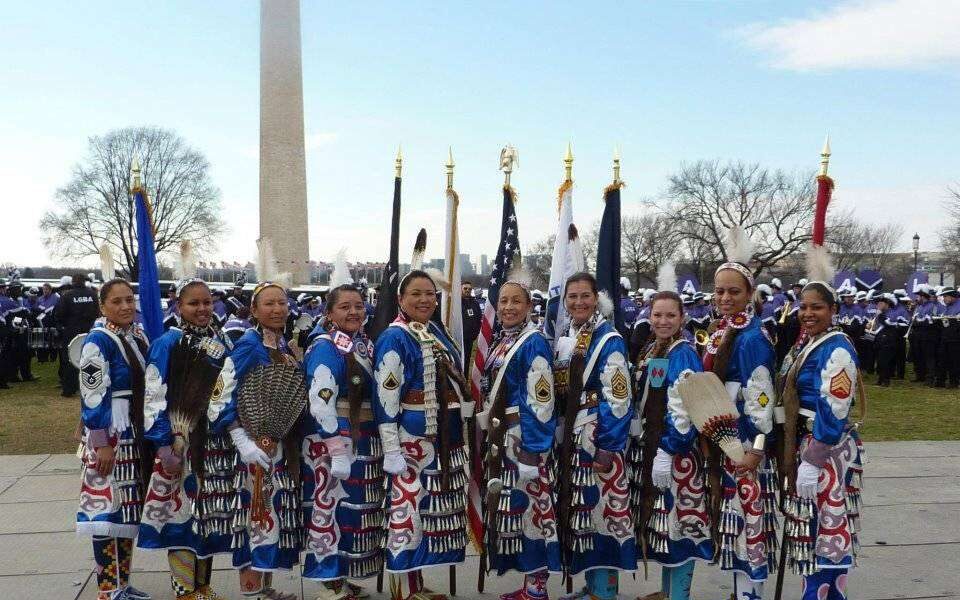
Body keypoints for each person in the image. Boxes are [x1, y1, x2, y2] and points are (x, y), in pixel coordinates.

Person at [372, 270, 472, 600]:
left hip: (441, 440)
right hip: (411, 442)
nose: (425, 299)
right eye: (416, 293)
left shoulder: (433, 333)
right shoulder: (394, 337)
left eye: (430, 293)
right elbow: (386, 397)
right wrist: (391, 449)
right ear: (400, 299)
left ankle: (415, 585)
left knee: (424, 516)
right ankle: (403, 589)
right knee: (406, 514)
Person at [138, 279, 234, 600]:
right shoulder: (167, 343)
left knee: (207, 514)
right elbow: (153, 395)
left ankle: (203, 586)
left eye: (207, 302)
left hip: (215, 443)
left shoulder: (220, 341)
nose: (203, 309)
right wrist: (164, 443)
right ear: (179, 306)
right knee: (182, 515)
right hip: (181, 442)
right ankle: (184, 589)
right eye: (194, 303)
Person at [208, 281, 304, 599]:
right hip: (255, 448)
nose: (277, 309)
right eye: (269, 304)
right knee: (257, 513)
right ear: (254, 310)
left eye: (282, 302)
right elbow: (221, 395)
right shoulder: (249, 345)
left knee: (273, 513)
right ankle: (251, 590)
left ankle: (265, 588)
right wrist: (241, 440)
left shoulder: (282, 345)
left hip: (278, 446)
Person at [776, 280, 865, 600]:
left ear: (834, 310)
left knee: (827, 531)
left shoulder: (836, 347)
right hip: (808, 443)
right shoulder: (811, 342)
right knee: (810, 529)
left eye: (817, 307)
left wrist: (813, 460)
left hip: (826, 449)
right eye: (803, 306)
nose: (808, 313)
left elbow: (835, 406)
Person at [702, 234, 778, 600]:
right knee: (734, 517)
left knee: (749, 517)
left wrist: (756, 448)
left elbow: (761, 398)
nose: (725, 298)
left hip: (746, 442)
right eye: (719, 292)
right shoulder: (724, 331)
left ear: (750, 294)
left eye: (734, 292)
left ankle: (752, 593)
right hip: (728, 437)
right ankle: (739, 591)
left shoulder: (751, 337)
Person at [553, 272, 635, 600]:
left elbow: (618, 399)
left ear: (596, 298)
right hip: (574, 437)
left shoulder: (608, 339)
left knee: (603, 516)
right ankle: (591, 585)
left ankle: (605, 592)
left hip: (598, 438)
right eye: (572, 297)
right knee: (584, 512)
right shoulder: (568, 334)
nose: (578, 302)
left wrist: (608, 447)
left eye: (584, 296)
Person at [300, 284, 384, 599]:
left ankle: (341, 575)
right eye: (345, 307)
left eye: (359, 306)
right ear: (329, 313)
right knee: (329, 507)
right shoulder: (325, 346)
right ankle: (330, 578)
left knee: (349, 510)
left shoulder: (362, 343)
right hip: (332, 439)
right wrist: (335, 447)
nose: (353, 312)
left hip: (359, 435)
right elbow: (320, 401)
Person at [479, 279, 560, 599]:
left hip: (524, 441)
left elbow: (541, 401)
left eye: (516, 301)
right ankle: (529, 582)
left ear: (529, 306)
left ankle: (537, 588)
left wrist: (532, 450)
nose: (508, 307)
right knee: (517, 509)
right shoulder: (504, 341)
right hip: (504, 439)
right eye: (503, 301)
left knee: (533, 512)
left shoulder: (533, 342)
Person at [630, 290, 712, 600]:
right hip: (655, 446)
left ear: (682, 318)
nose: (663, 321)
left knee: (680, 527)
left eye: (670, 315)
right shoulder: (654, 348)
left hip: (677, 454)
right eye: (657, 315)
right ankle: (667, 592)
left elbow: (686, 406)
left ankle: (679, 595)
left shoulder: (683, 352)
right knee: (664, 525)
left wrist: (670, 448)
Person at [76, 279, 152, 600]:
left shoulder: (135, 335)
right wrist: (101, 441)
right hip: (109, 435)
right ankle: (108, 589)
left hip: (132, 434)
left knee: (126, 512)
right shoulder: (98, 340)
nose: (125, 306)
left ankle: (121, 582)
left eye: (129, 300)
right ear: (102, 306)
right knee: (106, 511)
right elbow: (92, 392)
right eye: (116, 301)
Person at [56, 273, 101, 396]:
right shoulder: (92, 295)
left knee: (70, 358)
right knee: (92, 357)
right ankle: (91, 385)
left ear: (73, 282)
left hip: (72, 331)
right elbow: (98, 312)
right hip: (90, 330)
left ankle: (69, 389)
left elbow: (60, 314)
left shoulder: (67, 296)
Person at [909, 286, 940, 386]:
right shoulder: (919, 307)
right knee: (919, 356)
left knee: (929, 358)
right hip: (918, 336)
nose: (917, 298)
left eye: (919, 295)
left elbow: (931, 322)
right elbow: (915, 320)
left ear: (923, 296)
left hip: (929, 336)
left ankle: (930, 378)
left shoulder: (933, 306)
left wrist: (917, 323)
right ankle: (920, 376)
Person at [869, 295, 899, 387]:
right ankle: (880, 379)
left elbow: (889, 324)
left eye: (881, 303)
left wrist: (880, 315)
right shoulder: (879, 314)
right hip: (880, 340)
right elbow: (875, 326)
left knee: (884, 361)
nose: (878, 305)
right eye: (878, 303)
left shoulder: (891, 313)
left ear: (887, 304)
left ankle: (886, 381)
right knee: (880, 361)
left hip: (888, 340)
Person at [935, 288, 960, 388]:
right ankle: (940, 381)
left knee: (954, 361)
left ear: (952, 296)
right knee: (942, 359)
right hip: (945, 337)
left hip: (956, 339)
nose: (943, 298)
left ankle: (954, 382)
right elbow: (945, 323)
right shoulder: (947, 307)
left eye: (945, 296)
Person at [35, 282, 60, 363]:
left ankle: (53, 358)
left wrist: (44, 309)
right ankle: (43, 358)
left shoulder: (55, 297)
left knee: (53, 340)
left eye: (46, 289)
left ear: (50, 290)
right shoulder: (40, 298)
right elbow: (37, 308)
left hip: (52, 321)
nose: (44, 291)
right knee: (43, 340)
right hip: (42, 322)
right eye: (43, 289)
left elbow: (55, 307)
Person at [461, 281, 483, 367]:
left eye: (469, 289)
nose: (467, 290)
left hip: (470, 339)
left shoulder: (475, 303)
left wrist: (475, 334)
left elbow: (478, 319)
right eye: (465, 288)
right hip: (458, 338)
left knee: (467, 360)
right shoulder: (456, 303)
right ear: (460, 289)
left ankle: (465, 379)